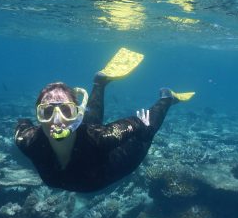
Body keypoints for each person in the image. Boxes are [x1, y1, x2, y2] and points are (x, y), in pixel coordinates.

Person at [14, 48, 194, 192]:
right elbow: (22, 124)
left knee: (147, 130)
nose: (57, 120)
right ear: (39, 118)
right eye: (46, 112)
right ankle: (99, 82)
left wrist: (144, 130)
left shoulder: (102, 138)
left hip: (112, 163)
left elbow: (135, 123)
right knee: (91, 125)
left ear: (77, 114)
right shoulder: (28, 141)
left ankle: (166, 98)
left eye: (66, 111)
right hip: (88, 151)